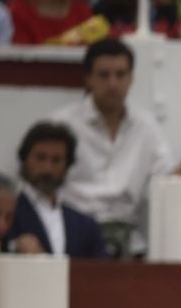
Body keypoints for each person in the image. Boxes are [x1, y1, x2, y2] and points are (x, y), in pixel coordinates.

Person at [48, 39, 173, 256]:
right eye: (104, 75)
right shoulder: (61, 125)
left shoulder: (147, 128)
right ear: (88, 79)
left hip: (130, 240)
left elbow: (164, 178)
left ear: (132, 78)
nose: (113, 84)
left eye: (120, 75)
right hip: (74, 238)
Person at [4, 120, 107, 258]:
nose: (47, 168)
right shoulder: (6, 214)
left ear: (67, 165)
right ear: (25, 159)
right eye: (41, 158)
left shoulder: (85, 226)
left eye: (56, 160)